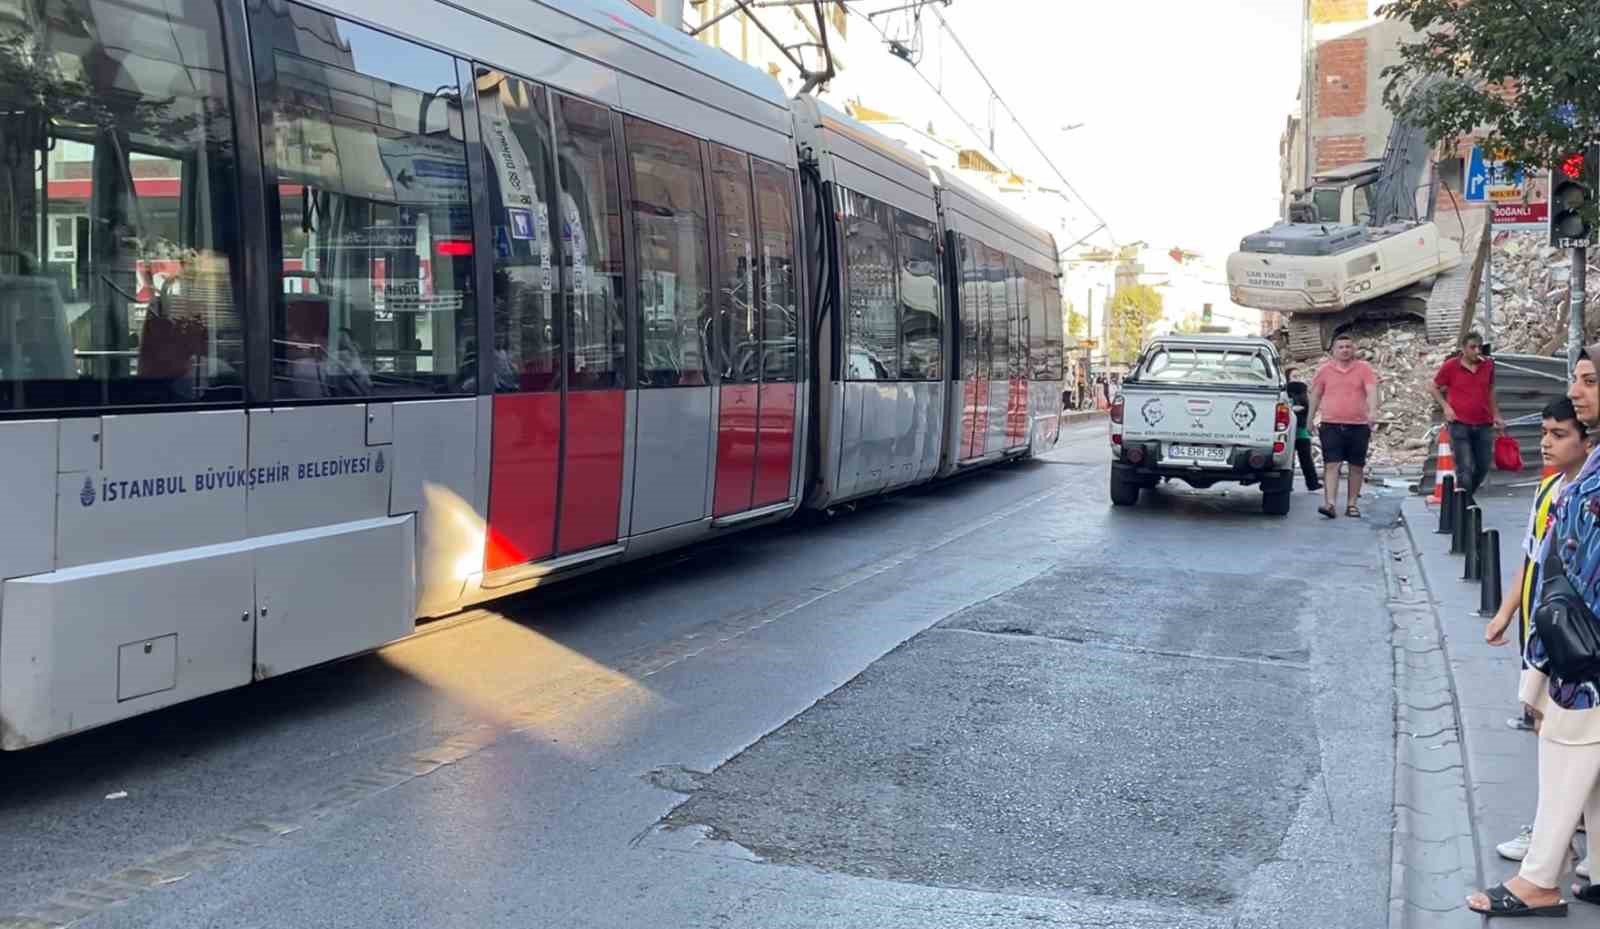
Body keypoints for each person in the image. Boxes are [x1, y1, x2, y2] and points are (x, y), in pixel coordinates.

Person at [1468, 347, 1600, 917]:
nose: (1577, 389)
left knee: (1567, 750)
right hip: (1572, 640)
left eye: (1591, 381)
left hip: (1587, 648)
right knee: (1587, 757)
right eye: (1576, 378)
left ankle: (1539, 879)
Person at [1485, 399, 1589, 865]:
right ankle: (1560, 837)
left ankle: (1554, 841)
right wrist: (1506, 613)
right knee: (1550, 735)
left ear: (1588, 439)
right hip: (1542, 633)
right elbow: (1531, 556)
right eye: (1545, 431)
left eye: (1560, 433)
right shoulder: (1549, 488)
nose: (1546, 442)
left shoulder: (1588, 494)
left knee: (1562, 741)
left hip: (1577, 645)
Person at [1308, 334, 1379, 519]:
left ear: (1353, 349)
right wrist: (1309, 418)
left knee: (1356, 466)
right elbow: (1315, 395)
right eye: (1341, 347)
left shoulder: (1364, 369)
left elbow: (1372, 391)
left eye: (1348, 346)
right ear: (1334, 350)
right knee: (1332, 464)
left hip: (1358, 425)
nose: (1345, 350)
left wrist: (1372, 412)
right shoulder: (1324, 371)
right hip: (1331, 424)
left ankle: (1352, 505)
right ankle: (1330, 504)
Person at [1432, 331, 1507, 501]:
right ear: (1463, 349)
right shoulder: (1451, 366)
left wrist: (1496, 415)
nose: (1477, 351)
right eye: (1472, 347)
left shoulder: (1487, 365)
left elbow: (1490, 390)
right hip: (1459, 424)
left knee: (1483, 465)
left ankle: (1463, 499)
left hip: (1483, 423)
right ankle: (1465, 504)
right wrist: (1446, 407)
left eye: (1479, 347)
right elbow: (1433, 386)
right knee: (1464, 467)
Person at [1284, 367, 1321, 492]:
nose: (1297, 379)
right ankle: (1288, 485)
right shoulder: (1285, 390)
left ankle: (1312, 483)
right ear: (1288, 378)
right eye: (1294, 376)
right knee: (1289, 459)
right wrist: (1293, 409)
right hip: (1288, 429)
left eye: (1298, 376)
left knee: (1305, 458)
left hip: (1301, 427)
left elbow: (1307, 407)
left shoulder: (1303, 390)